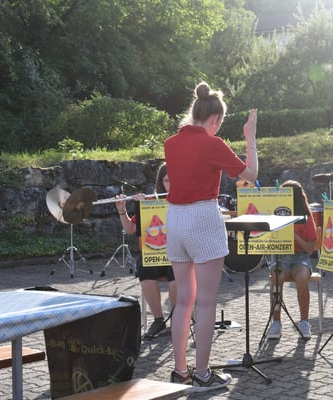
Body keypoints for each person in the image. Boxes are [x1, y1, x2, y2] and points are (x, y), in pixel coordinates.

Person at [164, 81, 258, 392]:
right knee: (205, 303)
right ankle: (203, 374)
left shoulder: (171, 143)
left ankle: (180, 371)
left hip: (175, 219)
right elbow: (251, 175)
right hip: (202, 217)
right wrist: (250, 137)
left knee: (184, 300)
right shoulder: (213, 144)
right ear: (215, 119)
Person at [115, 162, 176, 340]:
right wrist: (122, 211)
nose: (171, 184)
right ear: (160, 182)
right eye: (167, 181)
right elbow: (131, 229)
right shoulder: (150, 202)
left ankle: (177, 320)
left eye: (175, 180)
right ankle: (158, 320)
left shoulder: (185, 202)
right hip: (155, 254)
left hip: (178, 254)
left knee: (176, 277)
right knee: (145, 270)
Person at [267, 180, 318, 340]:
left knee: (302, 279)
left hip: (300, 258)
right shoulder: (275, 214)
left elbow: (310, 249)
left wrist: (293, 235)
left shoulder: (306, 218)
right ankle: (276, 323)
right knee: (276, 279)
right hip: (281, 257)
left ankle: (304, 322)